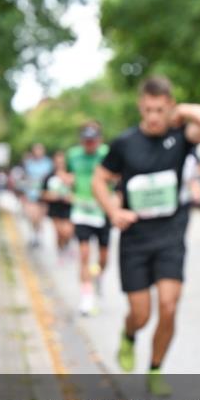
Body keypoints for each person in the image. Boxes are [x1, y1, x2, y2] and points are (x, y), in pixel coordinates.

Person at [91, 75, 200, 396]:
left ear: (170, 109)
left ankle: (155, 368)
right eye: (147, 109)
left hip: (170, 236)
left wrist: (183, 112)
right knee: (141, 313)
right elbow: (99, 179)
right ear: (140, 107)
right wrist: (113, 212)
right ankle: (129, 334)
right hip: (135, 239)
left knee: (168, 306)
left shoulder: (181, 137)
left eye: (160, 110)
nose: (152, 117)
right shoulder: (124, 143)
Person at [67, 123, 111, 316]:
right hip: (82, 211)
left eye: (92, 141)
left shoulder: (107, 154)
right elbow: (67, 174)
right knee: (84, 254)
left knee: (103, 258)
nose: (89, 144)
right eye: (86, 141)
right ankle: (87, 297)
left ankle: (97, 276)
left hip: (102, 210)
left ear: (99, 140)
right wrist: (68, 186)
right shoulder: (74, 155)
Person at [41, 151, 74, 260]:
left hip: (69, 207)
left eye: (62, 162)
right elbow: (42, 194)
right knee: (59, 232)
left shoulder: (72, 175)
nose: (60, 164)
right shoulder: (49, 177)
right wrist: (54, 196)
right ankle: (60, 251)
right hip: (55, 208)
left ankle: (66, 245)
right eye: (57, 162)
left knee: (68, 231)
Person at [22, 144, 53, 248]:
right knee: (32, 216)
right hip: (31, 194)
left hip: (43, 194)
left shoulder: (48, 163)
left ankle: (38, 236)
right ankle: (34, 234)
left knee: (40, 217)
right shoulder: (29, 164)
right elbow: (26, 178)